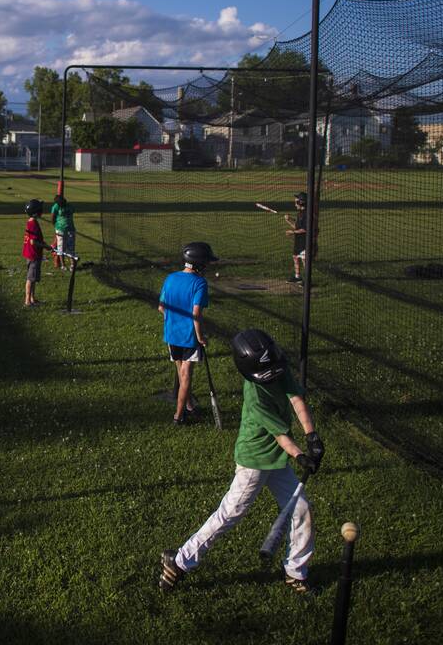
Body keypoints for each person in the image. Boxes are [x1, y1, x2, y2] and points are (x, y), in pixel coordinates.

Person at [160, 329, 325, 595]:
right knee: (229, 514)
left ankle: (296, 572)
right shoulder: (255, 394)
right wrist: (301, 455)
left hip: (278, 459)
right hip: (255, 461)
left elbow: (296, 399)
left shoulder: (277, 369)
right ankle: (180, 560)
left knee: (301, 509)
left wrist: (312, 436)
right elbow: (280, 436)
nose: (274, 375)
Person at [158, 242, 217, 424]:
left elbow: (161, 307)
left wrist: (174, 320)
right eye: (206, 262)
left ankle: (189, 405)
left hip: (171, 334)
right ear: (199, 263)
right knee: (185, 377)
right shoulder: (199, 283)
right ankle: (179, 415)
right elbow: (196, 313)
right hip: (189, 337)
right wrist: (200, 337)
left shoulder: (170, 278)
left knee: (181, 372)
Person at [22, 198, 49, 307]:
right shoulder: (33, 223)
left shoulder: (31, 221)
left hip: (32, 254)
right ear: (36, 212)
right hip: (33, 255)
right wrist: (45, 246)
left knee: (33, 278)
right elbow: (33, 242)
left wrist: (43, 244)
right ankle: (27, 301)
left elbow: (36, 238)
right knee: (30, 278)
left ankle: (32, 298)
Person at [284, 192, 308, 283]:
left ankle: (307, 280)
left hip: (305, 241)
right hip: (298, 241)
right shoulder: (300, 213)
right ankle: (297, 277)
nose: (295, 204)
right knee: (295, 257)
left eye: (296, 202)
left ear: (301, 203)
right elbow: (297, 227)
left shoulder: (307, 214)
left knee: (304, 260)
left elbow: (305, 229)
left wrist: (292, 232)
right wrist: (288, 220)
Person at [49, 194, 77, 270]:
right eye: (60, 203)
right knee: (61, 247)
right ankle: (63, 265)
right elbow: (52, 217)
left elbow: (72, 212)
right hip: (60, 230)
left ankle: (72, 265)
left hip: (71, 229)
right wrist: (56, 226)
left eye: (63, 203)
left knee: (71, 247)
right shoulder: (56, 207)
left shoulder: (69, 206)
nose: (62, 204)